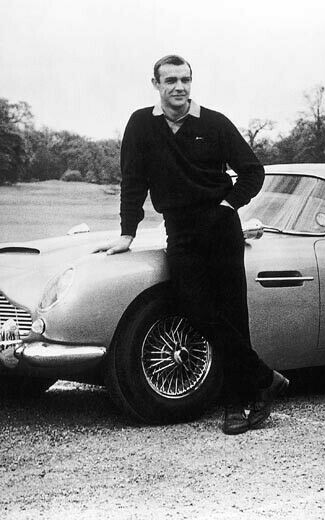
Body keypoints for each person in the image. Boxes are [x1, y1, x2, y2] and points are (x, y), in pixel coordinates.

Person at [101, 55, 288, 434]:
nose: (179, 87)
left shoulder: (214, 123)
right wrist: (127, 233)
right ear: (156, 84)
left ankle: (237, 403)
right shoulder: (141, 125)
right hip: (180, 230)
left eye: (185, 80)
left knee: (232, 314)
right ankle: (264, 378)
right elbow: (133, 181)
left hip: (221, 228)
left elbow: (252, 171)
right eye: (170, 80)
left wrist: (228, 205)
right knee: (196, 309)